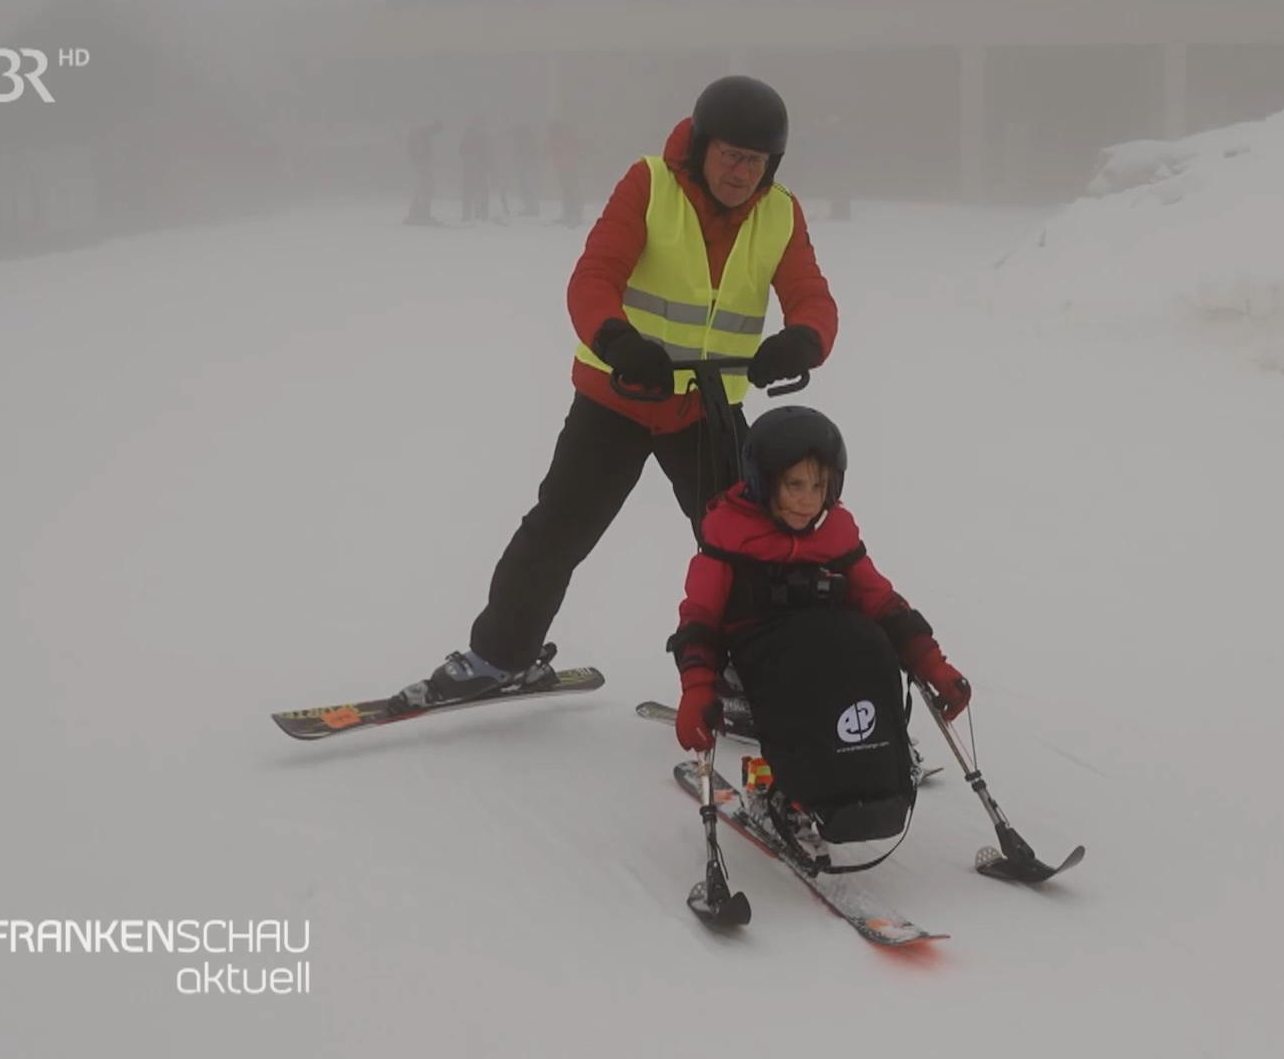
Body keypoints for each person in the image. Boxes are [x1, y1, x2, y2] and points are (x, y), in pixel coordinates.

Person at [398, 76, 836, 708]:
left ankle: (752, 667)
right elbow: (594, 275)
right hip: (620, 397)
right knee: (557, 531)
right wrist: (617, 339)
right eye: (731, 155)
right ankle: (500, 656)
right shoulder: (650, 184)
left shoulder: (779, 212)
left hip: (704, 407)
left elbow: (811, 295)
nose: (742, 172)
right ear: (703, 146)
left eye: (756, 161)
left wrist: (805, 339)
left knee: (746, 541)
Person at [666, 407, 971, 855]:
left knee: (869, 643)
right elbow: (700, 617)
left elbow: (882, 601)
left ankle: (878, 752)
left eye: (819, 486)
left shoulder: (835, 533)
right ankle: (781, 791)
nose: (809, 500)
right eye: (795, 485)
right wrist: (696, 687)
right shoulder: (730, 533)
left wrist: (933, 664)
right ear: (763, 481)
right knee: (809, 667)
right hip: (760, 650)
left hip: (822, 640)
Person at [403, 119, 442, 225]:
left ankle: (416, 214)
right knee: (425, 189)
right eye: (437, 131)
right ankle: (422, 215)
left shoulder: (421, 133)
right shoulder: (422, 134)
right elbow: (419, 153)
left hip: (421, 165)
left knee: (422, 189)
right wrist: (424, 165)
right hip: (422, 166)